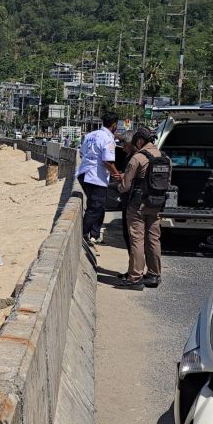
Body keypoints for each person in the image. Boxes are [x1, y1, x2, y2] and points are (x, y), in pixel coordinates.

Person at [117, 128, 166, 290]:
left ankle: (135, 278)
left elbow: (125, 186)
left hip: (138, 206)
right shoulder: (164, 157)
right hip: (156, 204)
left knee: (137, 240)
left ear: (139, 141)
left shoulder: (137, 158)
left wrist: (119, 185)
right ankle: (154, 275)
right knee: (153, 239)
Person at [77, 112, 122, 243]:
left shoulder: (90, 135)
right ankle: (83, 235)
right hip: (96, 177)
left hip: (84, 173)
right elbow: (108, 162)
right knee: (95, 207)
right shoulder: (108, 139)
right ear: (114, 125)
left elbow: (81, 153)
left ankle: (94, 235)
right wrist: (117, 176)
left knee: (99, 206)